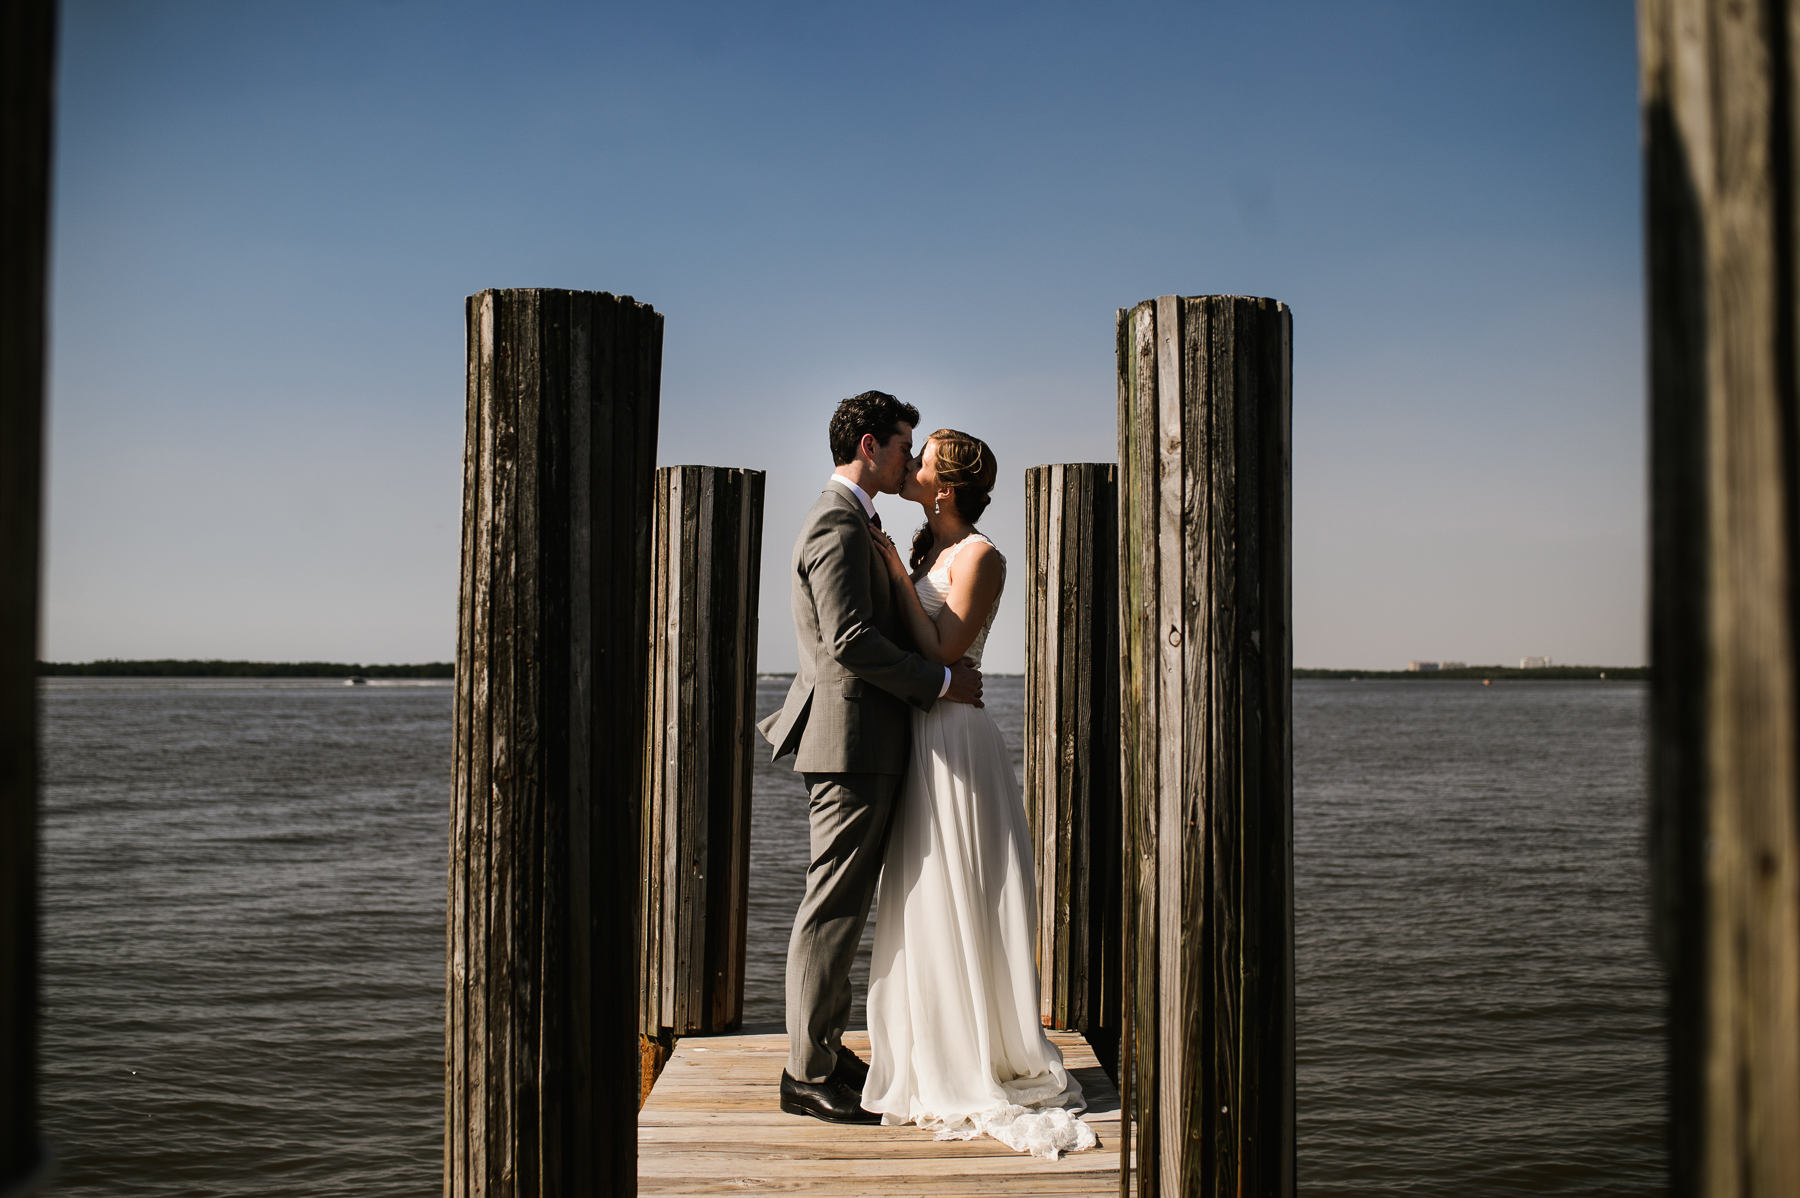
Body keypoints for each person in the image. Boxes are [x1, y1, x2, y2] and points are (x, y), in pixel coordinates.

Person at [860, 428, 1096, 1160]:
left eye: (923, 460)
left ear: (946, 487)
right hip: (920, 735)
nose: (913, 466)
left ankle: (980, 1056)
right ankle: (930, 1045)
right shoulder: (926, 546)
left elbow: (944, 651)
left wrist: (897, 574)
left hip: (958, 739)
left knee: (965, 891)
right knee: (923, 894)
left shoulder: (980, 556)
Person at [759, 392, 985, 1125]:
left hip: (869, 742)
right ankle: (806, 1071)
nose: (908, 462)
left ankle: (821, 1045)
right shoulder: (836, 520)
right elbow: (848, 640)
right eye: (901, 447)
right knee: (831, 910)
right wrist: (944, 681)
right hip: (851, 744)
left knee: (846, 911)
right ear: (868, 446)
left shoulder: (862, 520)